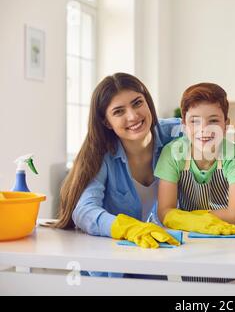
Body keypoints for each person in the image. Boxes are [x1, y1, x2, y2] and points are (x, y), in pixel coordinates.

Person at [53, 73, 181, 250]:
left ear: (148, 102)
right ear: (107, 122)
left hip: (156, 251)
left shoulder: (176, 134)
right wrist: (127, 228)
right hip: (110, 259)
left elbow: (219, 138)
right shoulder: (101, 155)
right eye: (119, 111)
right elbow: (84, 211)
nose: (133, 116)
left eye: (137, 103)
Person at [155, 82, 235, 234]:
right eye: (195, 121)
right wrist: (197, 222)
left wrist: (185, 218)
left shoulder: (233, 155)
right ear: (184, 125)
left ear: (226, 125)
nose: (204, 129)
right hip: (188, 236)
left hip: (227, 234)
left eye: (213, 120)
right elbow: (164, 212)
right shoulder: (172, 153)